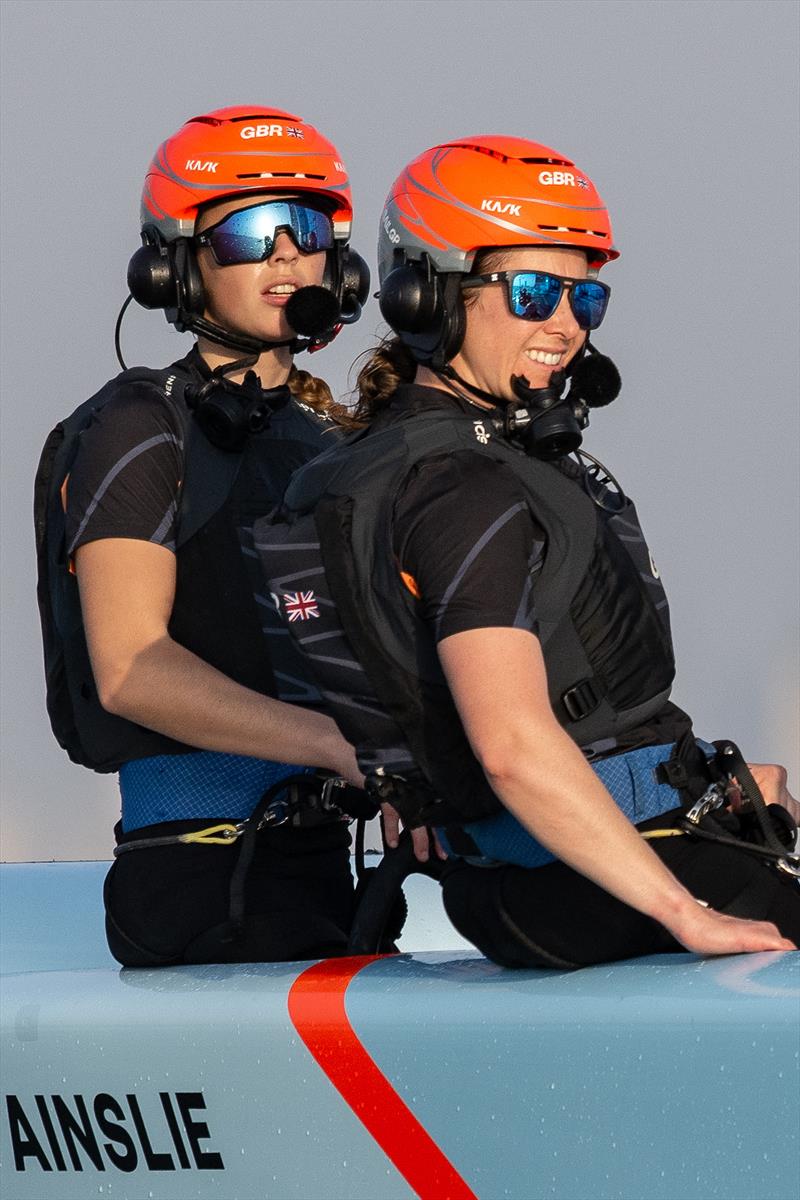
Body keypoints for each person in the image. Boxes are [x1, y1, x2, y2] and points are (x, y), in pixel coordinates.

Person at [254, 135, 800, 967]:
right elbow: (510, 748)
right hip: (606, 885)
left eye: (587, 300)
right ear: (428, 299)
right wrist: (687, 912)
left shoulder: (396, 466)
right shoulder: (462, 487)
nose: (565, 326)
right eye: (535, 291)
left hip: (554, 875)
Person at [36, 105, 375, 967]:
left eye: (309, 229)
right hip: (202, 878)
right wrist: (338, 745)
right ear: (174, 267)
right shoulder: (141, 426)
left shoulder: (329, 443)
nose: (287, 254)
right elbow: (131, 667)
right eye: (252, 231)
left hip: (328, 868)